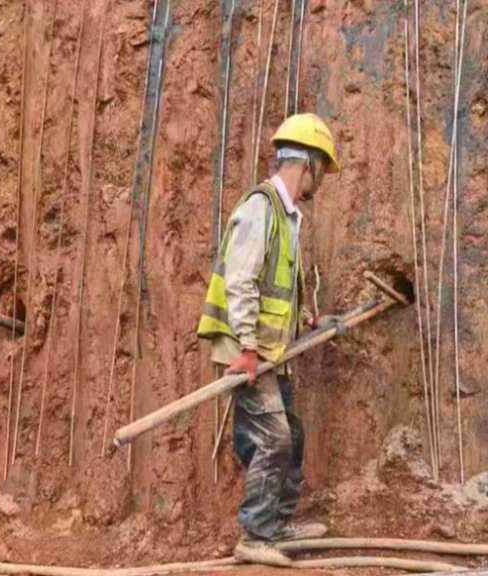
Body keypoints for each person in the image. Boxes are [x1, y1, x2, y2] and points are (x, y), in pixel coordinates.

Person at [197, 113, 341, 566]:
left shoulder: (286, 215)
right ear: (309, 163)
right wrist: (246, 349)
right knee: (273, 438)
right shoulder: (260, 208)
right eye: (323, 168)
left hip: (268, 349)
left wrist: (306, 320)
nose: (321, 180)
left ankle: (277, 523)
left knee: (291, 433)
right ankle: (255, 536)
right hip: (246, 350)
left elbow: (275, 286)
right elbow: (241, 282)